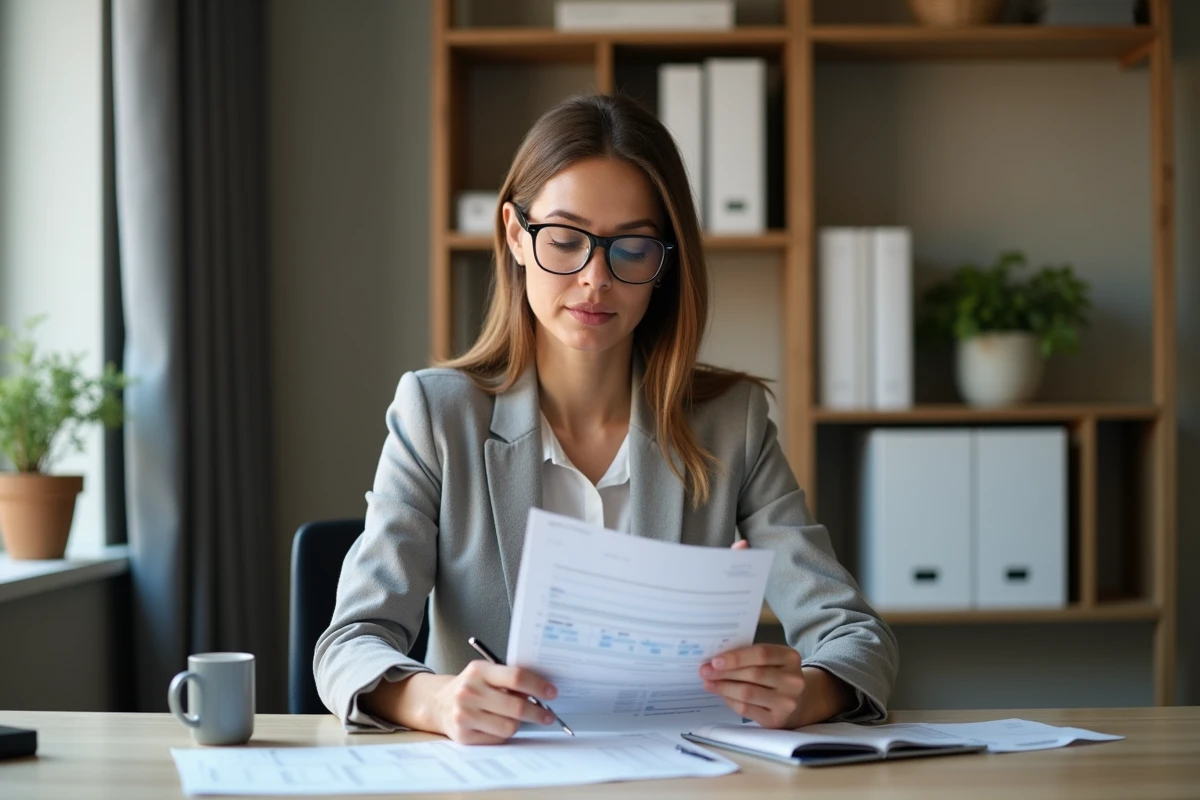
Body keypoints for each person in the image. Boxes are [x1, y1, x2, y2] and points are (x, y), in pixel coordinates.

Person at [315, 93, 898, 744]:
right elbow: (349, 643)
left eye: (632, 249)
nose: (596, 278)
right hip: (497, 779)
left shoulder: (730, 422)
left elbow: (856, 635)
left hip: (676, 777)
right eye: (565, 241)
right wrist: (436, 701)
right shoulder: (437, 416)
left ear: (665, 262)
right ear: (516, 235)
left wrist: (810, 692)